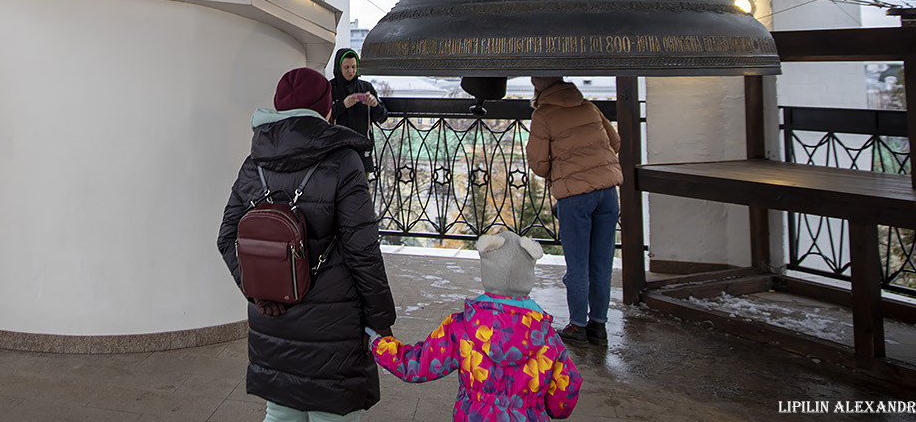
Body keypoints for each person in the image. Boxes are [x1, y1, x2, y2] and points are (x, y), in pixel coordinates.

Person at [218, 66, 398, 421]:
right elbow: (362, 250)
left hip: (274, 317)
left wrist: (257, 291)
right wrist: (381, 319)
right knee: (331, 413)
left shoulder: (254, 161)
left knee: (281, 412)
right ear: (327, 109)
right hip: (333, 325)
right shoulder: (344, 161)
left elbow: (227, 235)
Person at [368, 228, 581, 421]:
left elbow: (416, 365)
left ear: (487, 272)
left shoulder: (462, 328)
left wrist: (379, 344)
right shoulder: (547, 338)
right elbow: (565, 395)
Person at [525, 76, 623, 348]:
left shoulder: (543, 115)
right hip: (607, 193)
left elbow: (538, 162)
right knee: (602, 262)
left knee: (578, 265)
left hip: (575, 197)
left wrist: (563, 172)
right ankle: (599, 327)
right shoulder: (589, 106)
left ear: (538, 85)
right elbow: (614, 142)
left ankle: (577, 326)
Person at [329, 48, 385, 175]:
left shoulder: (366, 87)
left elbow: (382, 117)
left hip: (362, 153)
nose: (351, 71)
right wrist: (343, 104)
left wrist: (375, 104)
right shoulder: (330, 88)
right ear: (339, 68)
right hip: (337, 154)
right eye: (346, 67)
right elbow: (324, 116)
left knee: (360, 191)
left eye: (354, 67)